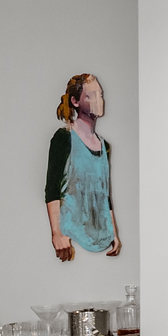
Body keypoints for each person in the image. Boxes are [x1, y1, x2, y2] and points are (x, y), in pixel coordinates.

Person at [45, 73, 122, 262]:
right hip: (74, 238)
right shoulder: (64, 137)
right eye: (91, 95)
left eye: (100, 95)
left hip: (102, 242)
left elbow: (104, 195)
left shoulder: (105, 146)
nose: (99, 100)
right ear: (75, 101)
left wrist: (114, 233)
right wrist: (57, 233)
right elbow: (52, 190)